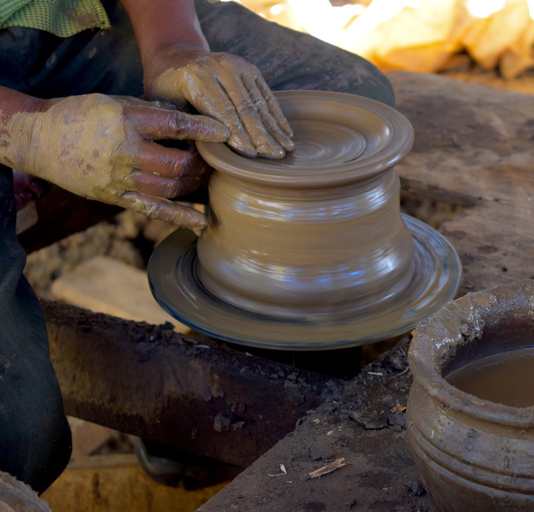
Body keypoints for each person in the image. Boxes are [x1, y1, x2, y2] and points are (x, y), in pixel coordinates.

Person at [0, 0, 395, 493]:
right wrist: (25, 128)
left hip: (67, 20)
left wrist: (174, 44)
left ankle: (236, 392)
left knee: (345, 96)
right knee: (19, 442)